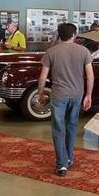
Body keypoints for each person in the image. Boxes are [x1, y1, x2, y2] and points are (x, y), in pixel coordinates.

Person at [37, 23, 94, 177]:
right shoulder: (84, 51)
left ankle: (61, 164)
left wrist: (40, 93)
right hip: (77, 94)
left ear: (59, 35)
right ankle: (69, 157)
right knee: (72, 127)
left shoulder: (51, 52)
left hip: (58, 95)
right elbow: (90, 76)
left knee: (58, 129)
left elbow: (43, 76)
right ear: (74, 34)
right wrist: (88, 95)